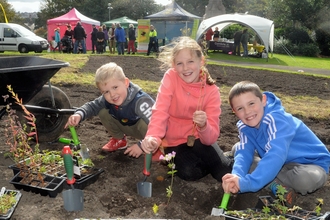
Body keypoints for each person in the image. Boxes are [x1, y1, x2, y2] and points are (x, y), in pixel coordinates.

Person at [222, 81, 330, 206]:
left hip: (308, 165)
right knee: (238, 148)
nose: (247, 112)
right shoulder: (244, 126)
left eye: (251, 104)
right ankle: (275, 184)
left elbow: (275, 154)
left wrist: (247, 183)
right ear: (234, 111)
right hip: (280, 165)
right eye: (240, 108)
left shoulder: (276, 119)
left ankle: (270, 180)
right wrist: (236, 178)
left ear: (263, 100)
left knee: (305, 180)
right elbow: (244, 153)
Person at [141, 36, 233, 182]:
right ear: (173, 65)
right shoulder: (171, 77)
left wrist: (203, 125)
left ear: (201, 61)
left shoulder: (211, 90)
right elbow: (160, 110)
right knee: (189, 172)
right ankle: (216, 158)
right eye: (180, 63)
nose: (185, 68)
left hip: (199, 139)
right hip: (174, 143)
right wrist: (153, 136)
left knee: (223, 171)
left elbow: (211, 137)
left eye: (190, 61)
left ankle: (231, 156)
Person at [65, 62, 155, 159]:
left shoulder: (141, 101)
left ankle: (155, 147)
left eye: (115, 87)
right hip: (128, 125)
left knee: (148, 124)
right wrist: (79, 114)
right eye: (106, 92)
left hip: (149, 133)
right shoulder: (107, 98)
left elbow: (158, 126)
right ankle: (119, 140)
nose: (112, 95)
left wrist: (142, 145)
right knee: (103, 111)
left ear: (126, 83)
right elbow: (92, 106)